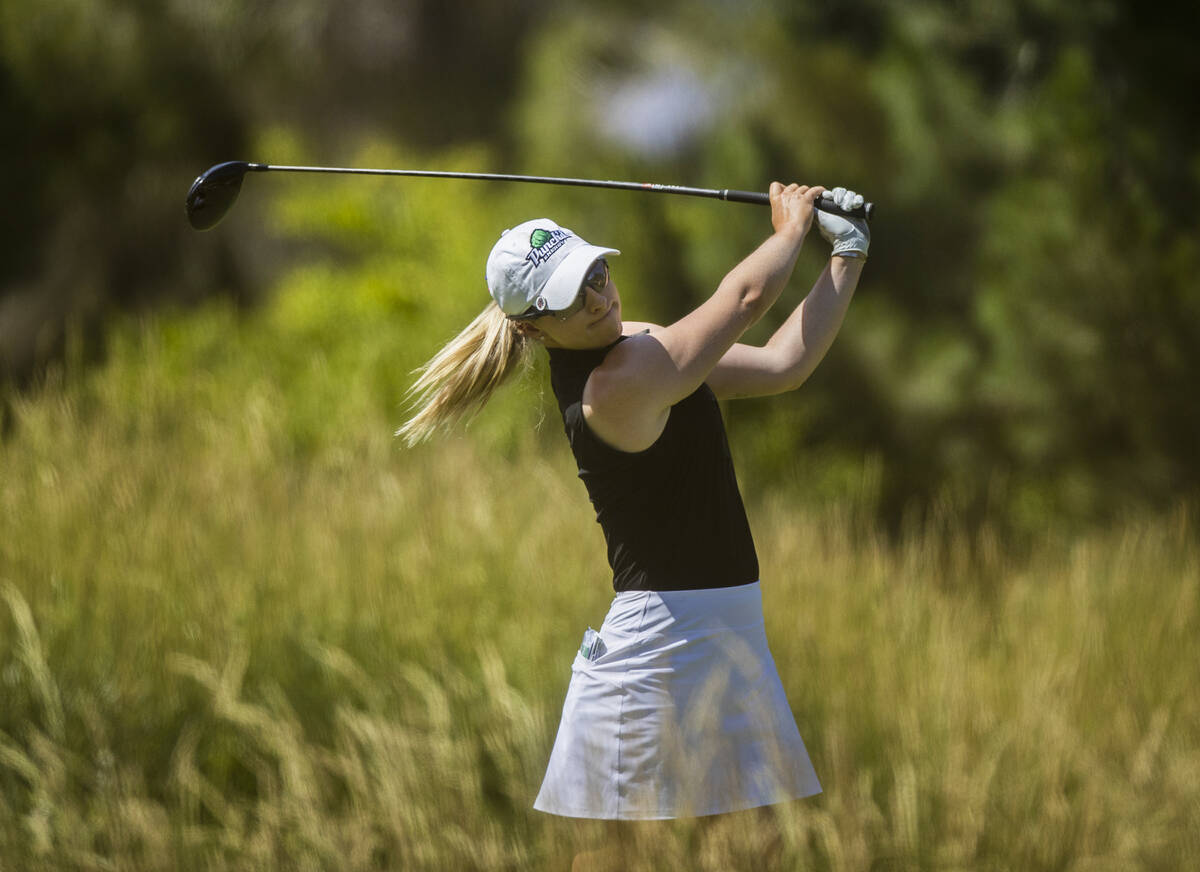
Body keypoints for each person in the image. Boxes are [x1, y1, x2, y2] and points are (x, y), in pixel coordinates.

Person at [398, 182, 868, 867]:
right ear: (532, 328)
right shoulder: (616, 385)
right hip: (663, 654)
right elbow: (743, 301)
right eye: (570, 298)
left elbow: (781, 365)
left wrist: (846, 253)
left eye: (596, 273)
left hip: (724, 637)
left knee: (759, 853)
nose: (598, 299)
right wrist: (792, 228)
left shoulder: (642, 348)